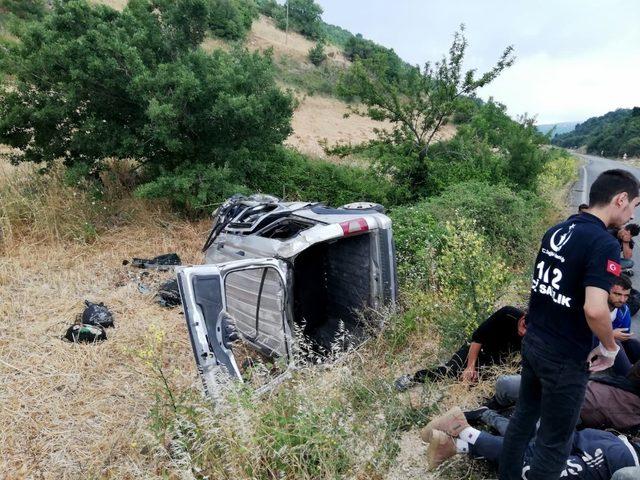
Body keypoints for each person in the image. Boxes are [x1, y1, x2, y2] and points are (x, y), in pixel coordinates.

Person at [499, 169, 640, 480]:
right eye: (634, 205)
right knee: (554, 442)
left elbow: (544, 288)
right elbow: (595, 309)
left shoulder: (557, 230)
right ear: (620, 199)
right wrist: (610, 346)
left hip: (535, 342)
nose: (632, 214)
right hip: (564, 357)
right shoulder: (605, 243)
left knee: (523, 419)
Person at [422, 406, 640, 477]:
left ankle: (455, 445)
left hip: (609, 442)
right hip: (621, 460)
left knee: (537, 453)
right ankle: (463, 429)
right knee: (535, 470)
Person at [394, 306, 526, 391]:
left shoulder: (536, 334)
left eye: (529, 331)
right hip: (476, 349)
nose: (523, 332)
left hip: (495, 360)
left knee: (482, 383)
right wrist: (470, 367)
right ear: (523, 317)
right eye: (524, 326)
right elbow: (478, 338)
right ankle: (413, 378)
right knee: (451, 371)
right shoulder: (508, 314)